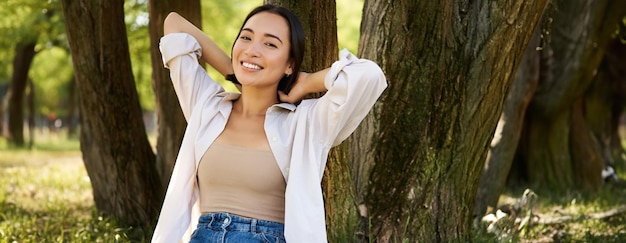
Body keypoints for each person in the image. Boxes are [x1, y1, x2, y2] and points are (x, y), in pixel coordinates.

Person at [152, 4, 387, 243]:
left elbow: (370, 76)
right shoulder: (207, 107)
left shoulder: (306, 122)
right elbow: (174, 24)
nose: (253, 49)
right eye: (246, 37)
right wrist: (236, 72)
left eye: (270, 44)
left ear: (290, 65)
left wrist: (307, 82)